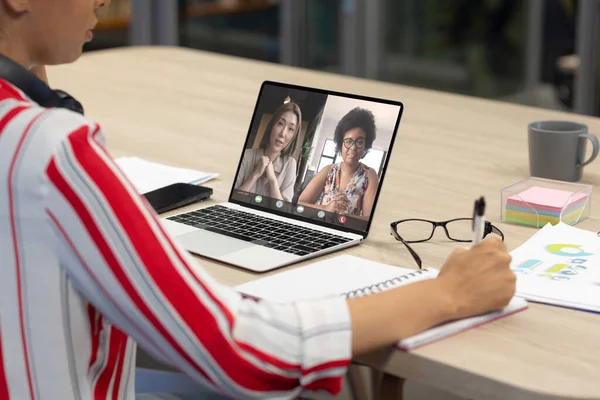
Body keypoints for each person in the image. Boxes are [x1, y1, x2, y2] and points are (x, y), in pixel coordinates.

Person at [0, 0, 517, 399]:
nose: (104, 1)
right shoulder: (51, 151)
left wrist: (31, 63)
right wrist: (448, 293)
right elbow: (236, 347)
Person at [298, 107, 378, 220]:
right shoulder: (328, 170)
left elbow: (369, 219)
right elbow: (300, 205)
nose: (353, 147)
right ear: (341, 143)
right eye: (349, 141)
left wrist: (345, 217)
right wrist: (325, 209)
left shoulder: (370, 175)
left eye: (360, 142)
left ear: (365, 146)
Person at [234, 101, 300, 202]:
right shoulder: (246, 156)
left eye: (291, 129)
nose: (283, 133)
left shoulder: (290, 165)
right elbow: (233, 200)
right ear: (272, 125)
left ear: (293, 137)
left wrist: (273, 180)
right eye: (280, 123)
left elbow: (283, 212)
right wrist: (254, 174)